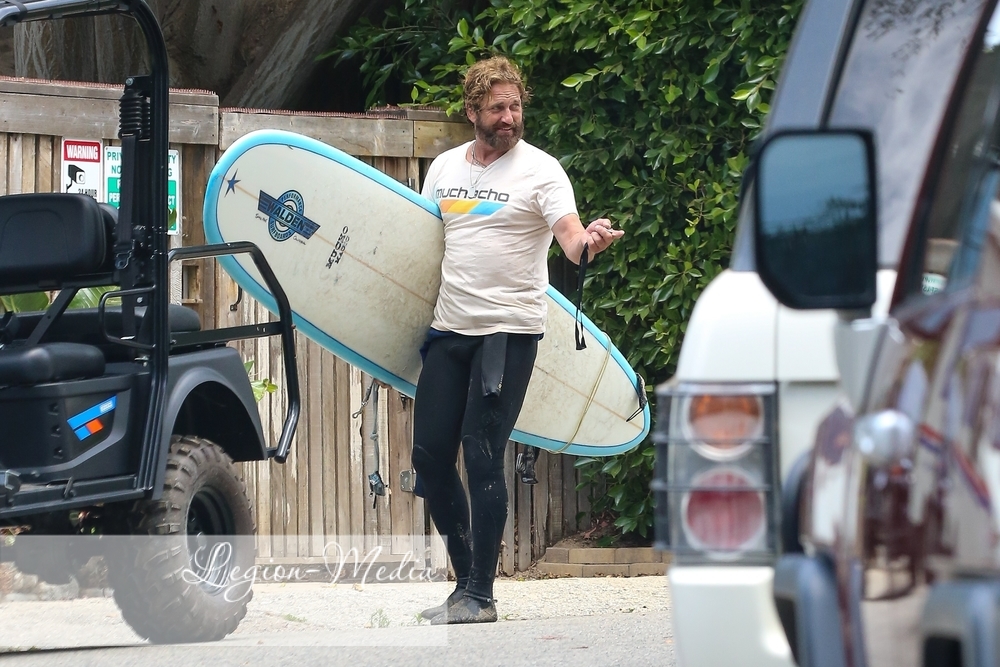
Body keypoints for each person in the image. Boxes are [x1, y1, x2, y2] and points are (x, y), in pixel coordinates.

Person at [413, 55, 623, 625]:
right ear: (472, 111)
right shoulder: (444, 169)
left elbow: (570, 239)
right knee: (429, 457)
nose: (509, 117)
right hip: (449, 329)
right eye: (497, 108)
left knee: (481, 453)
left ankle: (481, 595)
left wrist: (590, 242)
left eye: (515, 106)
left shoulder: (541, 171)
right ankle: (463, 585)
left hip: (507, 332)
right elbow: (420, 244)